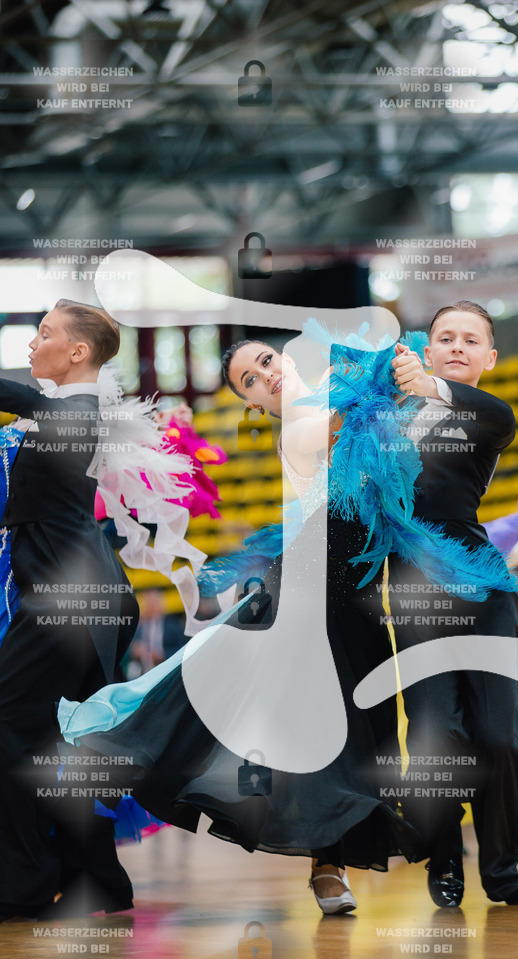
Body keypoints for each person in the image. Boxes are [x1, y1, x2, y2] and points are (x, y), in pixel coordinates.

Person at [57, 336, 422, 916]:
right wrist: (391, 379)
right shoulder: (307, 423)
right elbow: (352, 432)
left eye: (266, 362)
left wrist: (403, 374)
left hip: (358, 602)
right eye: (249, 380)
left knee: (366, 734)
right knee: (305, 730)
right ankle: (326, 869)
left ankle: (331, 862)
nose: (264, 377)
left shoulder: (339, 399)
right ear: (252, 404)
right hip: (304, 599)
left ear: (286, 359)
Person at [386, 301, 518, 908]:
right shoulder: (385, 417)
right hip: (416, 595)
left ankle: (503, 872)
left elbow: (482, 409)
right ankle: (445, 861)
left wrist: (429, 385)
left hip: (483, 592)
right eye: (446, 337)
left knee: (499, 740)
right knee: (436, 738)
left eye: (472, 340)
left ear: (489, 358)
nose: (458, 346)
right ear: (427, 346)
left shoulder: (490, 416)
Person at [0, 299, 139, 923]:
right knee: (68, 749)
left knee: (8, 731)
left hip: (69, 604)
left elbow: (18, 398)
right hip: (88, 599)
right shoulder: (74, 413)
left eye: (45, 333)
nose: (33, 343)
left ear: (78, 352)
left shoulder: (77, 412)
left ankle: (23, 887)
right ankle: (97, 880)